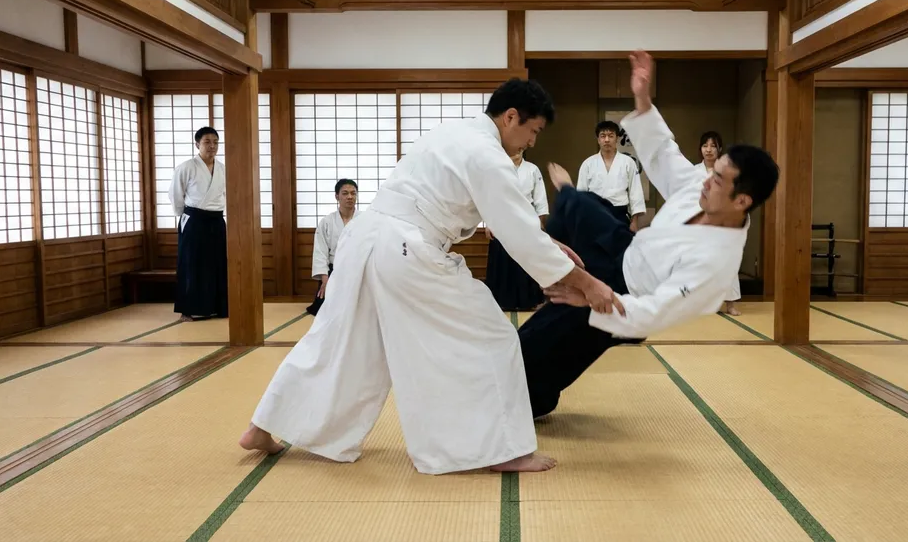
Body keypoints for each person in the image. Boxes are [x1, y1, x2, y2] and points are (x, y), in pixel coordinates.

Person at [239, 78, 623, 474]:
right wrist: (587, 282)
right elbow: (517, 230)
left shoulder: (452, 132)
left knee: (337, 343)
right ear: (511, 117)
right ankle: (502, 449)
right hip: (407, 250)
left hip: (365, 241)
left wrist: (547, 248)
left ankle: (262, 426)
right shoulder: (487, 155)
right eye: (533, 131)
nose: (532, 142)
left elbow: (514, 225)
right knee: (492, 335)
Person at [519, 50, 779, 418]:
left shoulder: (715, 266)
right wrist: (643, 100)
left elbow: (657, 312)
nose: (706, 181)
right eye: (711, 170)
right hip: (625, 250)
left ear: (742, 201)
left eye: (718, 179)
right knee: (577, 205)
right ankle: (567, 200)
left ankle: (533, 396)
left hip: (625, 297)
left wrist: (591, 300)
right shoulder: (701, 186)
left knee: (538, 349)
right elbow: (664, 155)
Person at [169, 127, 227, 322]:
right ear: (197, 144)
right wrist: (184, 216)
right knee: (191, 263)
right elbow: (176, 195)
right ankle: (189, 309)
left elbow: (227, 195)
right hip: (194, 219)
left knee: (217, 263)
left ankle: (216, 307)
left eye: (215, 142)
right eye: (207, 142)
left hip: (216, 219)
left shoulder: (222, 169)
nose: (212, 146)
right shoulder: (186, 167)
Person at [484, 149, 549, 310]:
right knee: (503, 262)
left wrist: (540, 223)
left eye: (520, 149)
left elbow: (540, 198)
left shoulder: (532, 169)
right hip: (502, 219)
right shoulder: (497, 168)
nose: (517, 152)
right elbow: (490, 197)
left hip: (527, 219)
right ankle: (502, 300)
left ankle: (529, 300)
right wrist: (488, 223)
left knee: (526, 261)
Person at [694, 131, 743, 316]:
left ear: (719, 149)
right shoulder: (693, 171)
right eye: (705, 146)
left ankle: (730, 303)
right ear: (700, 149)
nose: (708, 150)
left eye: (712, 146)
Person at [577, 120, 646, 232]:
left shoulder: (628, 162)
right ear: (598, 140)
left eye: (611, 136)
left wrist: (634, 222)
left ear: (617, 138)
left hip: (620, 215)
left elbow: (635, 192)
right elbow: (581, 195)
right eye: (603, 136)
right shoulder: (588, 164)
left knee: (620, 248)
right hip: (595, 216)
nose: (607, 140)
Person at [307, 179, 359, 316]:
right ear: (337, 196)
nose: (350, 197)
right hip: (334, 270)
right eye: (345, 193)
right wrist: (325, 278)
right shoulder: (327, 222)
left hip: (358, 269)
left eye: (353, 193)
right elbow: (320, 251)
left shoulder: (365, 220)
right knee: (324, 309)